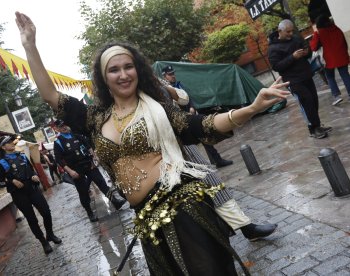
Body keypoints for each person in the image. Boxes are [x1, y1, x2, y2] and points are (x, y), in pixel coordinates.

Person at [16, 11, 289, 274]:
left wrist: (250, 109)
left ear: (137, 70)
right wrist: (30, 46)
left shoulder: (158, 108)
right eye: (114, 70)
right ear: (103, 77)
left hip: (184, 209)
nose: (123, 74)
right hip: (147, 221)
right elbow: (51, 95)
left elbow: (202, 125)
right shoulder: (94, 118)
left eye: (128, 67)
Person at [160, 82, 278, 241]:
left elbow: (184, 99)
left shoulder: (154, 81)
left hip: (186, 144)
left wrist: (167, 89)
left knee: (213, 184)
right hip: (162, 159)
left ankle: (245, 227)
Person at [0, 136, 62, 254]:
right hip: (19, 194)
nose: (12, 143)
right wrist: (11, 181)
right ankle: (43, 242)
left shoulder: (22, 156)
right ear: (3, 147)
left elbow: (31, 170)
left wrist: (34, 175)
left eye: (12, 141)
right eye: (8, 143)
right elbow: (0, 182)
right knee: (32, 219)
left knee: (46, 212)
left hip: (32, 189)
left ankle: (50, 234)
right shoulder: (1, 163)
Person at [51, 119, 127, 222]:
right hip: (76, 170)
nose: (64, 127)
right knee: (83, 193)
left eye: (64, 124)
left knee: (102, 184)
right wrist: (70, 171)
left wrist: (94, 157)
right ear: (57, 129)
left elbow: (88, 146)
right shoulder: (58, 142)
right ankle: (90, 213)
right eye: (61, 126)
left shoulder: (76, 135)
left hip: (89, 165)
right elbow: (59, 160)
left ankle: (115, 202)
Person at [269, 19, 331, 139]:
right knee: (306, 101)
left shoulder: (296, 39)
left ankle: (317, 125)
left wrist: (306, 51)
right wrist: (292, 57)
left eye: (292, 31)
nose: (291, 34)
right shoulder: (273, 48)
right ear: (279, 31)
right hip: (292, 80)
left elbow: (307, 50)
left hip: (306, 75)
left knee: (313, 100)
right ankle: (313, 129)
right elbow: (276, 66)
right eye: (288, 32)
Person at [162, 65, 233, 168]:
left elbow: (189, 97)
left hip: (192, 115)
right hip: (181, 122)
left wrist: (192, 107)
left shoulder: (178, 85)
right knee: (191, 149)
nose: (173, 76)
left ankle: (216, 160)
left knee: (205, 137)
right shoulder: (166, 89)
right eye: (170, 74)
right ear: (164, 76)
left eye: (173, 73)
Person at [310, 15, 350, 105]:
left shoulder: (319, 33)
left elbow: (313, 47)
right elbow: (344, 42)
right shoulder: (337, 29)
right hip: (341, 56)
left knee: (330, 77)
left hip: (327, 60)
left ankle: (337, 96)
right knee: (345, 75)